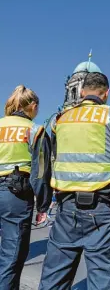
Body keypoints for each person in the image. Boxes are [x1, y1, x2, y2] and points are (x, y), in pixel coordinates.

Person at [38, 72, 110, 290]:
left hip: (66, 207)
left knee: (55, 275)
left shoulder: (60, 119)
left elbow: (46, 161)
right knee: (102, 276)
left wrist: (45, 201)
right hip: (103, 206)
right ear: (106, 94)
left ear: (82, 92)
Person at [0, 85, 52, 289]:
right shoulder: (35, 130)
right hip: (16, 196)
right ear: (33, 106)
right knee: (10, 256)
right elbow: (41, 171)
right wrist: (43, 205)